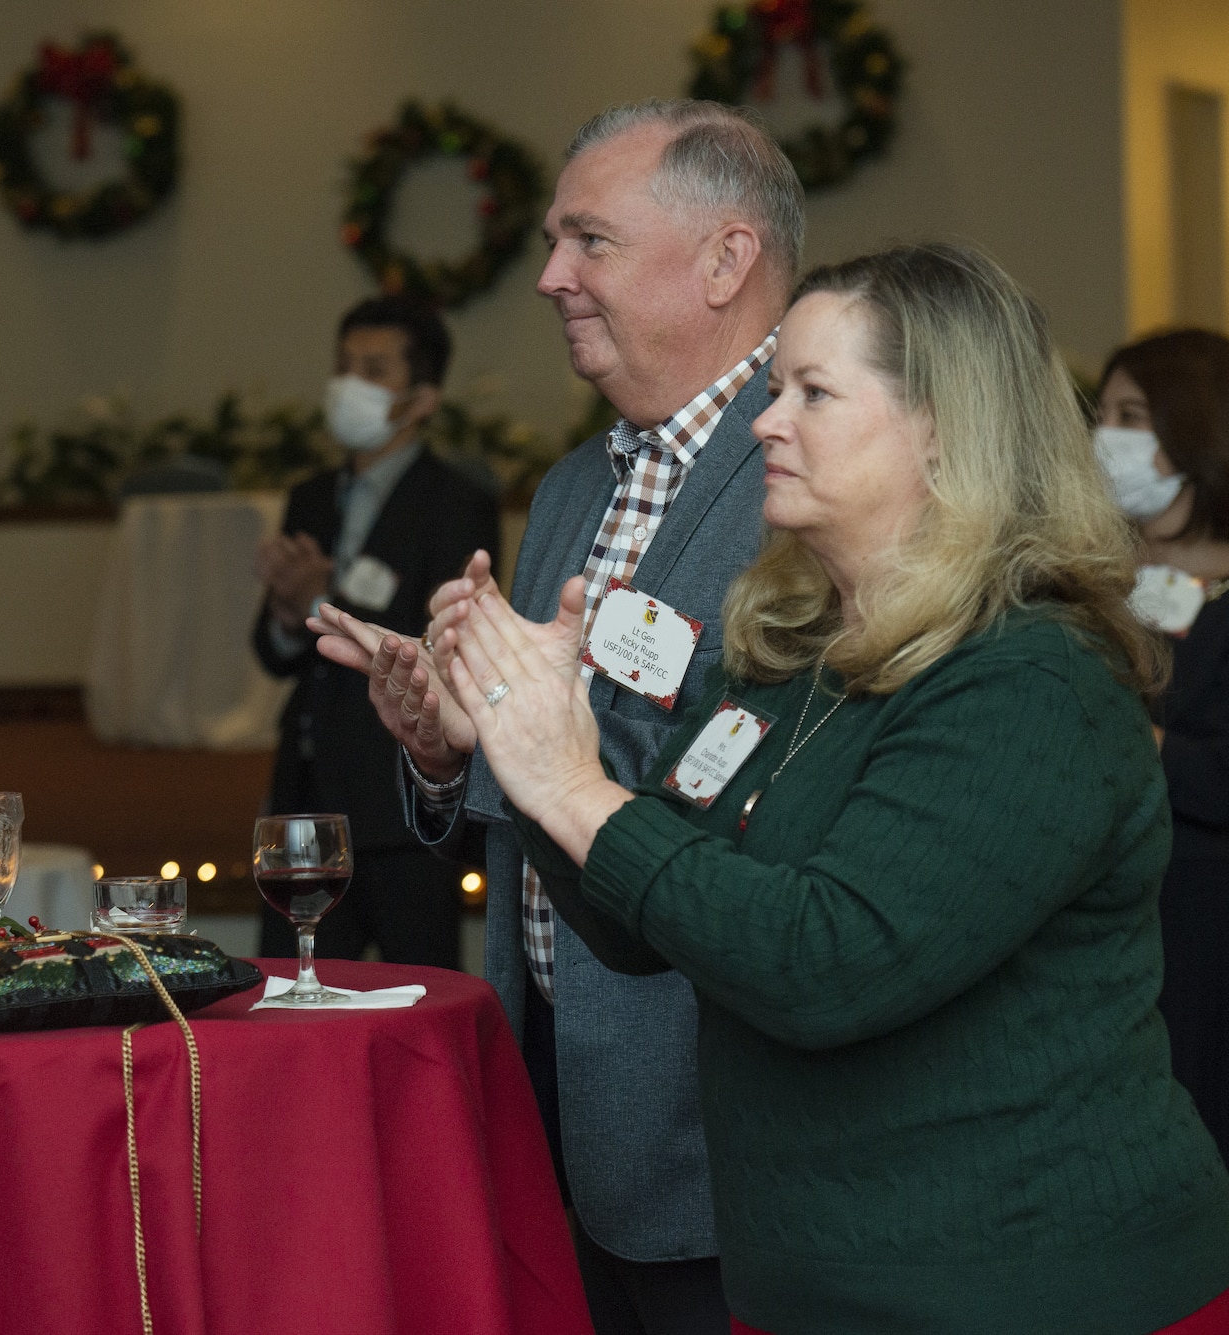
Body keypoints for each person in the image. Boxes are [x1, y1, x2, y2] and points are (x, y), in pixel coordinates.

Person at [416, 243, 1229, 1331]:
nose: (763, 423)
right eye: (769, 391)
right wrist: (522, 747)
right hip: (810, 1283)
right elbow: (640, 926)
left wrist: (568, 783)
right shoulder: (794, 650)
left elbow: (823, 965)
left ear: (943, 427)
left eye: (811, 392)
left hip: (1024, 1291)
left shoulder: (1030, 676)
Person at [318, 100, 799, 1334]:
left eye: (587, 241)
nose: (547, 278)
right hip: (551, 1086)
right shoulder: (579, 479)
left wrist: (531, 722)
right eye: (550, 241)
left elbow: (770, 791)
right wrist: (440, 744)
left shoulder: (804, 478)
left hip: (713, 1108)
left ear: (724, 260)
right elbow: (525, 769)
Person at [251, 295, 499, 968]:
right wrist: (284, 612)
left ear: (422, 398)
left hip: (401, 806)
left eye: (372, 368)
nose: (348, 384)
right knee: (286, 1000)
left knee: (418, 998)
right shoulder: (309, 496)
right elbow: (276, 654)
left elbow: (444, 644)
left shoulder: (456, 503)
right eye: (342, 366)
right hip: (305, 801)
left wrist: (320, 599)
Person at [1098, 329, 1229, 1165]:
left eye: (1131, 415)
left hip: (1204, 955)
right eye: (1102, 413)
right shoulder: (1095, 590)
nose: (1105, 437)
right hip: (1105, 952)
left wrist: (1135, 739)